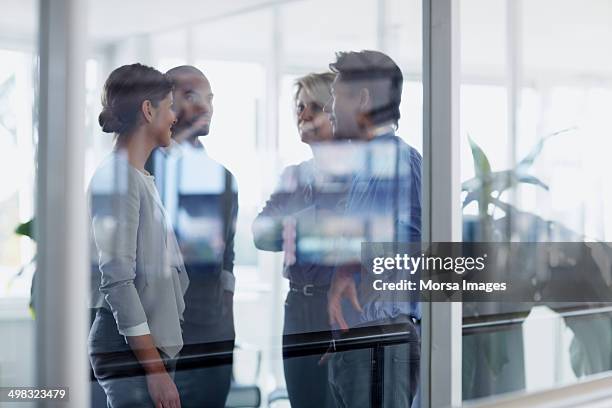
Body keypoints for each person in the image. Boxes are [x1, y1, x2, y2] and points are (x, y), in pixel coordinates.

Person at [323, 50, 422, 408]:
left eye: (335, 95)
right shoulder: (365, 165)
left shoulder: (400, 162)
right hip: (360, 344)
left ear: (362, 99)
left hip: (382, 342)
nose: (329, 107)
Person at [88, 63, 189, 408]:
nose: (175, 117)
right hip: (129, 351)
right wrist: (156, 371)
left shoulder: (136, 176)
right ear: (148, 110)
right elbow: (117, 280)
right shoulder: (119, 178)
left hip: (141, 348)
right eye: (170, 106)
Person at [252, 72, 341, 408]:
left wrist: (291, 226)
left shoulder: (356, 179)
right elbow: (260, 233)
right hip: (296, 307)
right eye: (299, 107)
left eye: (313, 107)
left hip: (334, 310)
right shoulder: (295, 175)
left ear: (336, 114)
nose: (302, 116)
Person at [153, 65, 238, 408]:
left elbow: (225, 261)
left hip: (212, 341)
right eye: (191, 96)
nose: (205, 106)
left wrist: (226, 331)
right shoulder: (143, 171)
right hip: (161, 346)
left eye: (209, 98)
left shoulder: (223, 179)